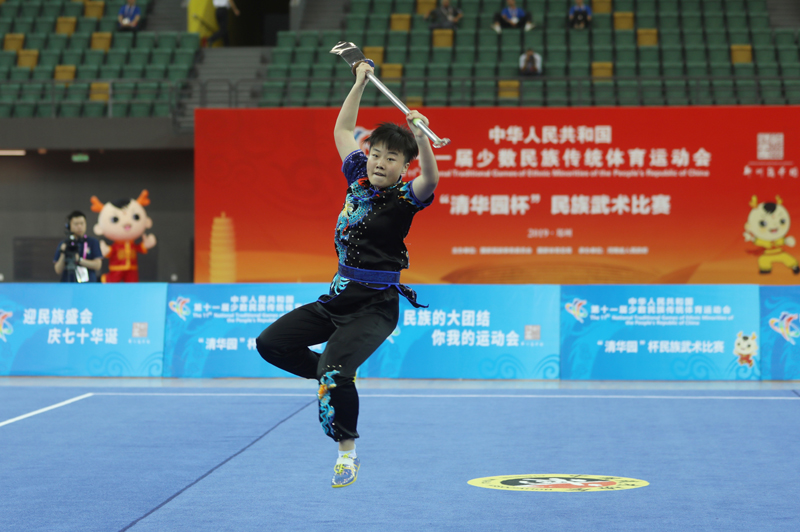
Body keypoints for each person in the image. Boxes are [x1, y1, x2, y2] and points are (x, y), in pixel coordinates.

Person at [255, 60, 439, 488]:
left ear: (403, 166)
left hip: (374, 307)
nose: (379, 162)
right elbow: (342, 130)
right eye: (375, 154)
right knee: (271, 344)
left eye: (391, 158)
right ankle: (332, 375)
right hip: (337, 298)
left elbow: (430, 178)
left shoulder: (404, 199)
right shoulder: (357, 178)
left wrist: (422, 138)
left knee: (335, 372)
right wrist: (358, 82)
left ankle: (347, 453)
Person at [53, 211, 103, 283]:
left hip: (88, 284)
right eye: (76, 224)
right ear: (69, 226)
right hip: (68, 283)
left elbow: (98, 265)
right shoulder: (64, 243)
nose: (79, 226)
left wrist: (79, 260)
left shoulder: (93, 242)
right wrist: (63, 253)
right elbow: (58, 270)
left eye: (82, 223)